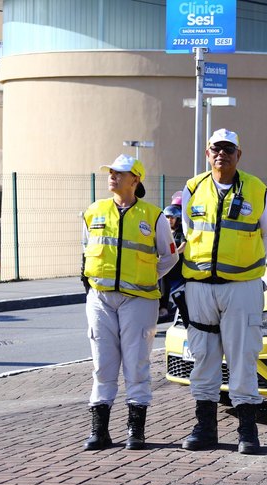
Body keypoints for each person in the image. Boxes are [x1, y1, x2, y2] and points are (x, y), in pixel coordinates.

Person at [180, 129, 267, 455]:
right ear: (208, 154)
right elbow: (188, 230)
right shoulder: (193, 188)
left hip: (242, 288)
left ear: (239, 154)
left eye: (228, 149)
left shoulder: (257, 189)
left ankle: (247, 432)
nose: (221, 154)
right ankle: (205, 428)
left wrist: (241, 264)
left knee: (243, 357)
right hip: (200, 287)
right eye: (215, 149)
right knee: (203, 357)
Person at [81, 154, 179, 450]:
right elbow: (86, 249)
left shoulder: (153, 216)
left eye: (119, 173)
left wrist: (147, 277)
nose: (112, 176)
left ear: (135, 179)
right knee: (103, 364)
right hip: (100, 298)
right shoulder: (93, 211)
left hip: (139, 300)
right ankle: (100, 431)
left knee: (136, 364)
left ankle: (135, 431)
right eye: (111, 172)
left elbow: (170, 255)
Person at [158, 204, 185, 322]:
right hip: (166, 261)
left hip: (178, 264)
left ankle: (163, 307)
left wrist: (173, 255)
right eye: (167, 217)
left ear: (177, 219)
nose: (169, 220)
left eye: (172, 218)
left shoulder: (182, 231)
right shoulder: (164, 232)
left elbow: (184, 245)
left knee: (164, 275)